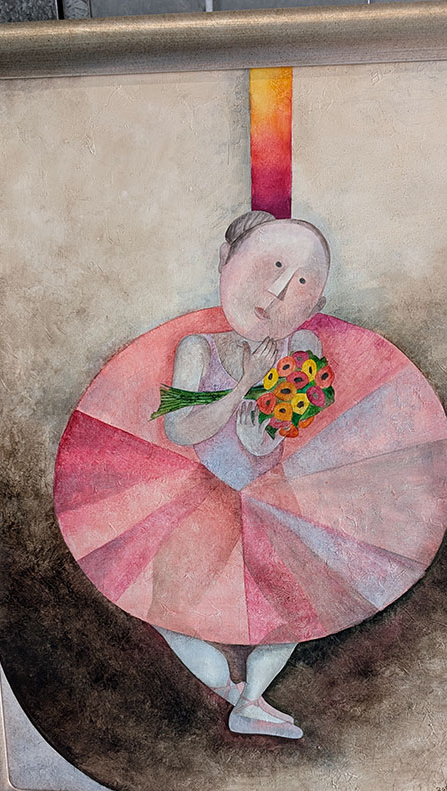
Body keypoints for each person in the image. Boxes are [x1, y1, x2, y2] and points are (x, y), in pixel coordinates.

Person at [155, 210, 331, 739]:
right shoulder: (198, 348)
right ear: (226, 264)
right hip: (204, 496)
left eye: (300, 282)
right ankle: (235, 694)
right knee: (167, 607)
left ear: (316, 302)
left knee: (298, 605)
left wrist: (269, 414)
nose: (277, 292)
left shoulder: (304, 350)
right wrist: (242, 386)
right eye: (270, 268)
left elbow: (280, 430)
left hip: (270, 495)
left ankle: (253, 698)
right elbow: (179, 429)